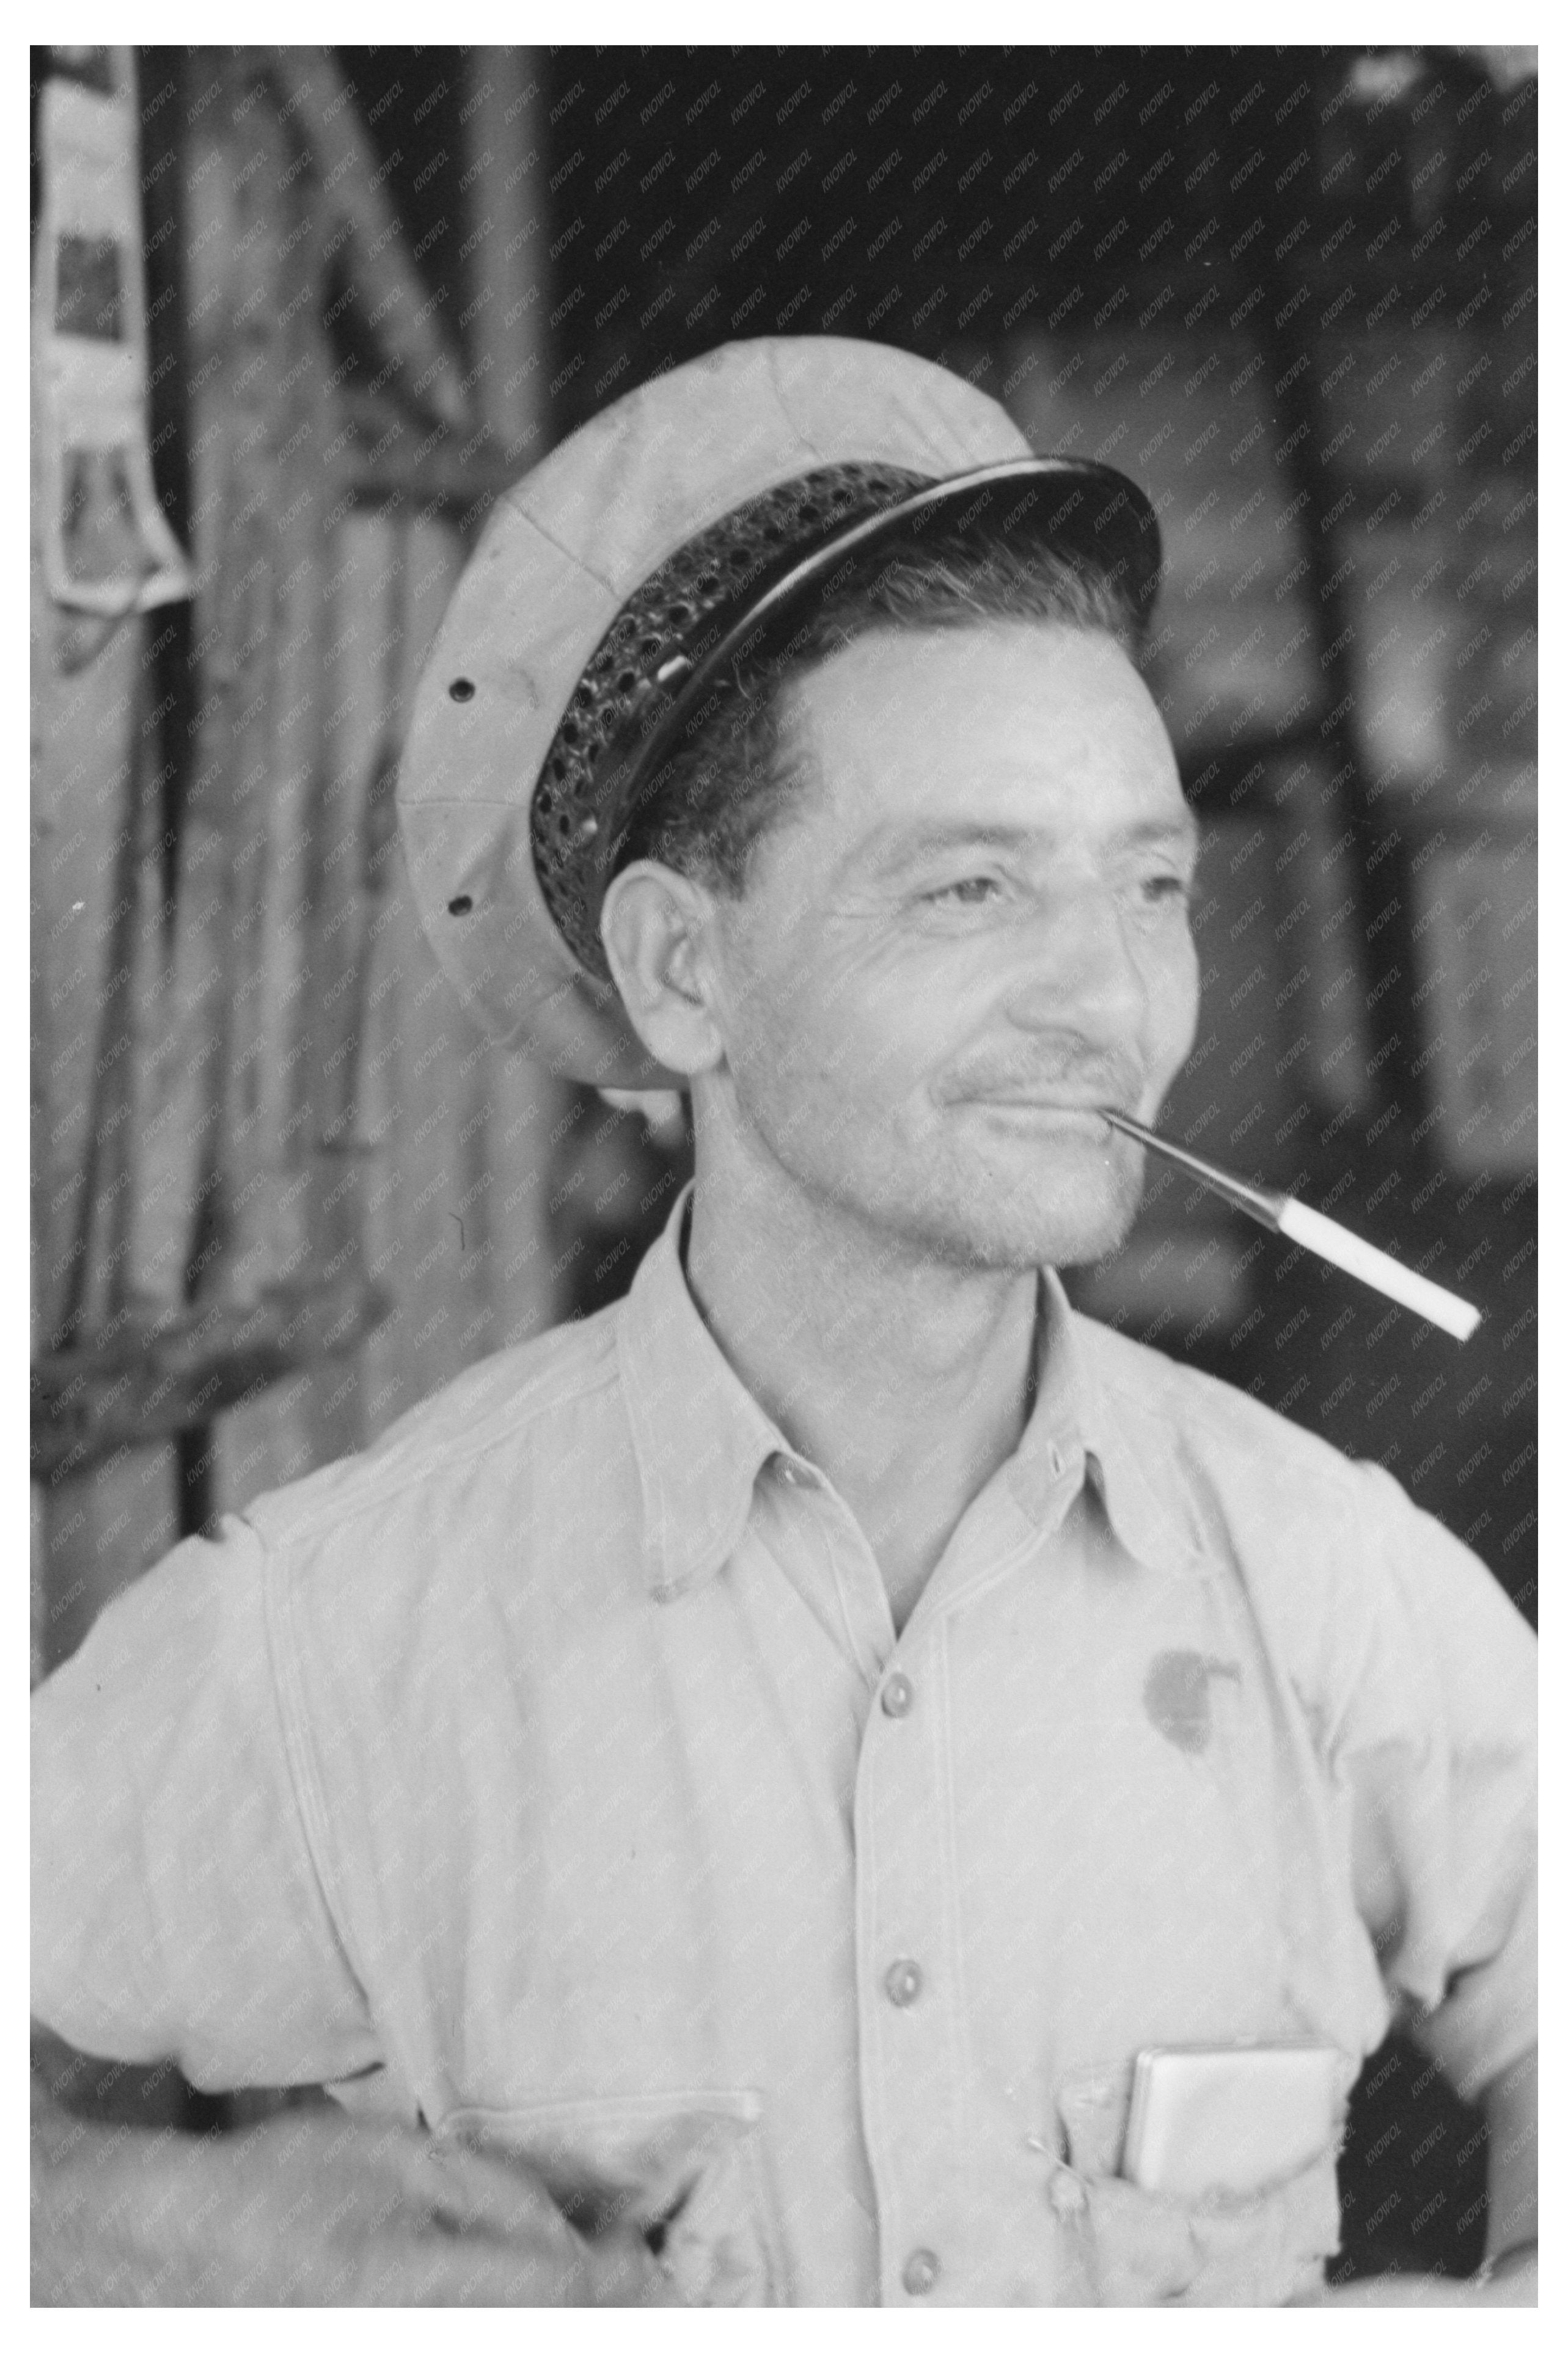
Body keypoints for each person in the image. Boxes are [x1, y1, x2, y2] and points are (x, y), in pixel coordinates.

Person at [32, 337, 1536, 2307]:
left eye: (1152, 881)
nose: (1114, 1000)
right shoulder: (335, 1642)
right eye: (972, 889)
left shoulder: (1332, 1585)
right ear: (683, 971)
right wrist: (192, 2239)